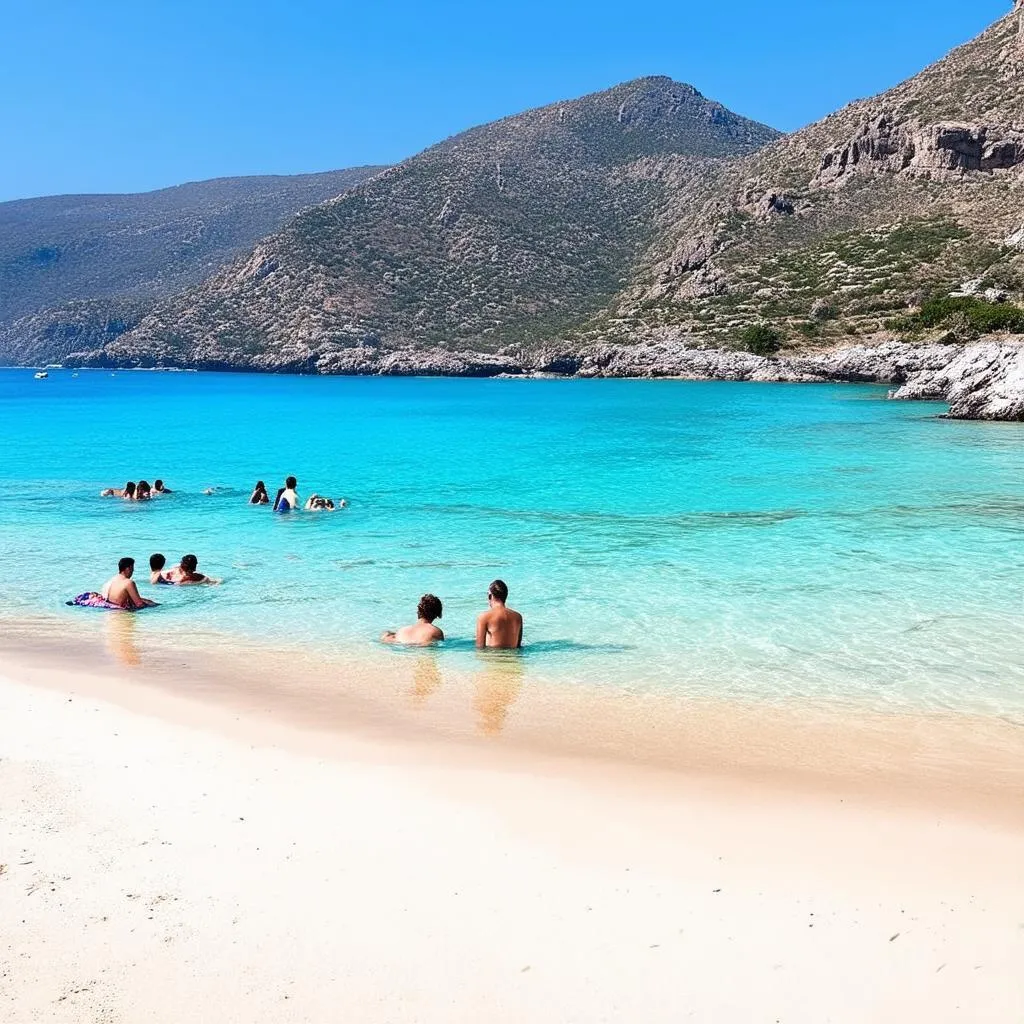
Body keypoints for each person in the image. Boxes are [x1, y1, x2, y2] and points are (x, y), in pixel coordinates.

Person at [475, 579, 523, 649]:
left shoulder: (483, 617)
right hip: (512, 658)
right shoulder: (518, 617)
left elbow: (479, 647)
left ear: (490, 596)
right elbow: (518, 647)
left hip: (493, 657)